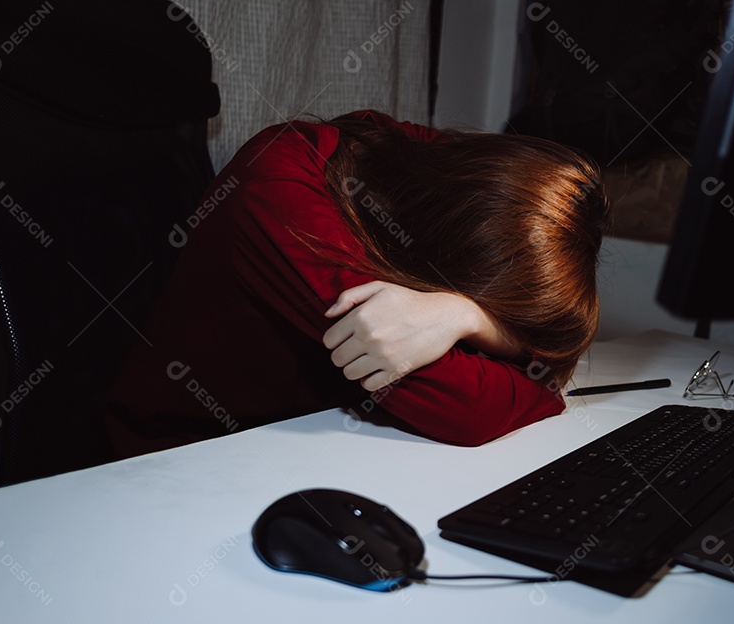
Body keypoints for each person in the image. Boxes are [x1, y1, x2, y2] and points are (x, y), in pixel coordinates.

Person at [105, 110, 607, 456]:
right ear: (446, 252)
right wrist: (503, 340)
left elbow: (549, 372)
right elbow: (472, 411)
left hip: (321, 441)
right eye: (480, 299)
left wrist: (468, 317)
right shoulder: (280, 187)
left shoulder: (425, 170)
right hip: (183, 458)